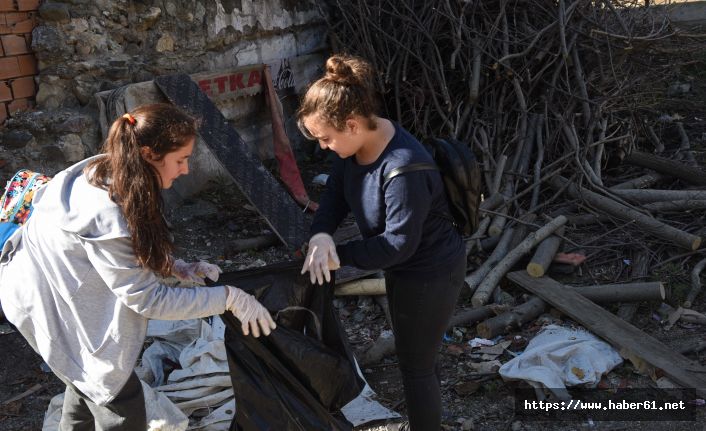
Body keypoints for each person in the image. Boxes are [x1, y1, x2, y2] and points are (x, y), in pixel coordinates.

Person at [0, 103, 276, 430]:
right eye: (181, 160)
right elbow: (148, 300)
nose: (186, 169)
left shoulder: (117, 171)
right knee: (118, 397)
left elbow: (122, 253)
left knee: (87, 380)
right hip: (40, 295)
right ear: (148, 154)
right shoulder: (107, 210)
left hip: (48, 281)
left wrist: (174, 266)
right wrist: (228, 297)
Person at [298, 55, 466, 431]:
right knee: (418, 354)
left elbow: (396, 247)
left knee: (415, 368)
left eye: (325, 138)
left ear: (352, 124)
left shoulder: (404, 168)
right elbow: (334, 198)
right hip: (404, 266)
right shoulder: (353, 146)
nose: (323, 146)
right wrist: (322, 236)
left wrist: (338, 256)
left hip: (430, 271)